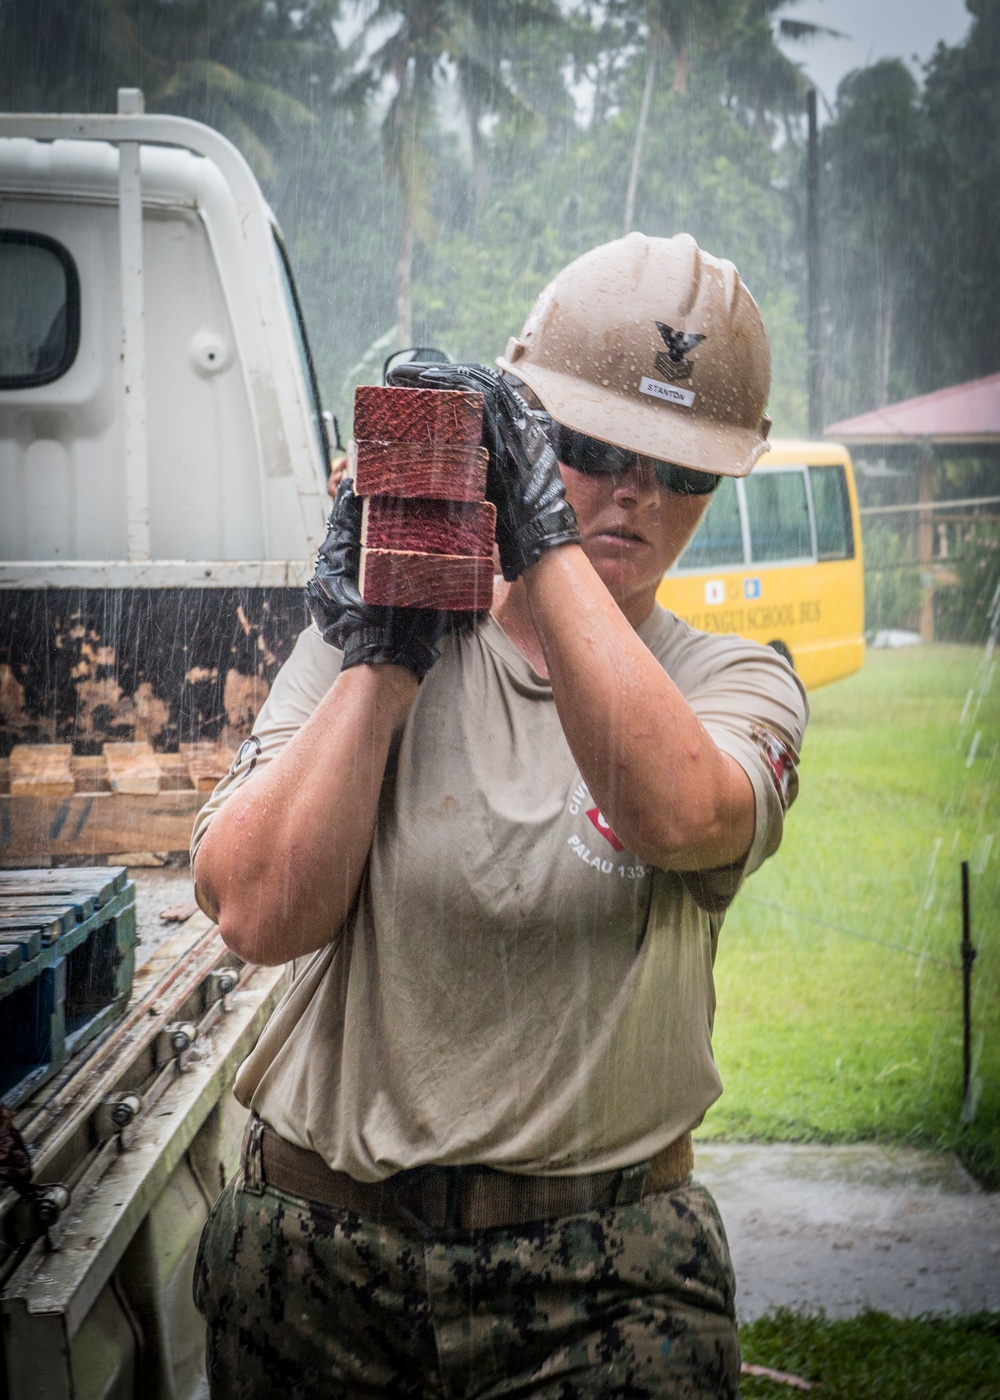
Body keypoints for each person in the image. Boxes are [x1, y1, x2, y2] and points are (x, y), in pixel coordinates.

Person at [191, 231, 807, 1399]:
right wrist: (387, 654)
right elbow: (260, 912)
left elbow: (674, 810)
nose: (636, 490)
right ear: (527, 431)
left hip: (603, 1279)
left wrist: (539, 530)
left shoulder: (732, 682)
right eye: (588, 447)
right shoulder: (381, 638)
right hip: (323, 1260)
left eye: (680, 471)